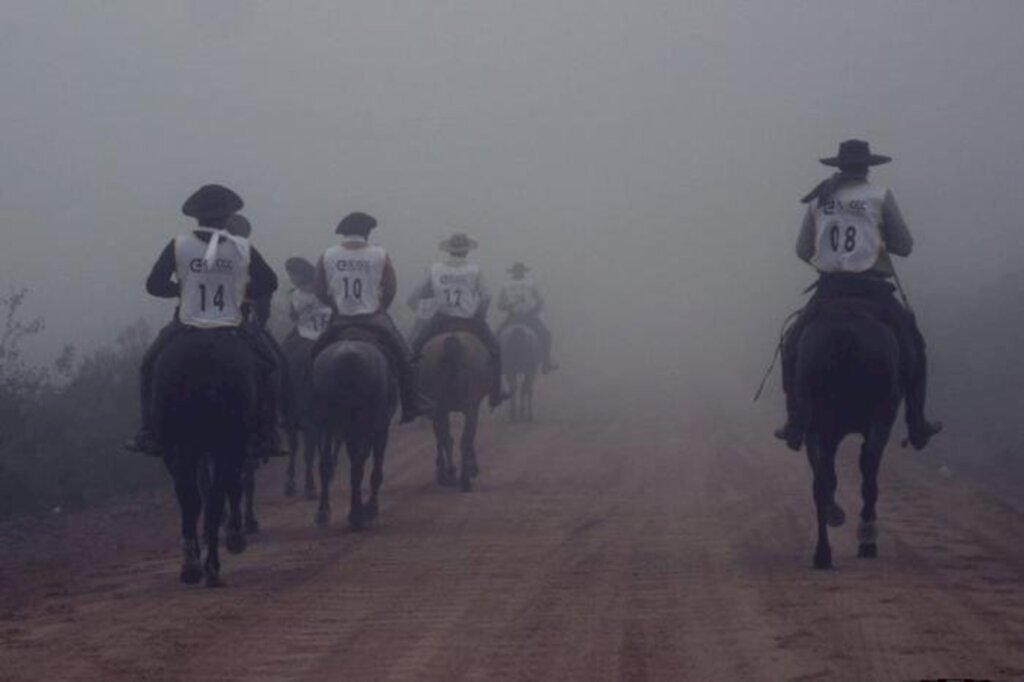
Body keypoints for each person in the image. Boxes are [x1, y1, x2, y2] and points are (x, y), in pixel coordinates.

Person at [775, 139, 943, 451]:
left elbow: (802, 250)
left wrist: (831, 258)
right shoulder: (879, 196)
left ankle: (795, 422)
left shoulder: (819, 200)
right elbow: (904, 246)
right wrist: (876, 241)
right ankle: (917, 424)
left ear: (839, 167)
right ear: (867, 167)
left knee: (791, 345)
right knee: (915, 347)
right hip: (872, 291)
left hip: (830, 291)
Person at [125, 185, 278, 456]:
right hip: (232, 326)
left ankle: (149, 431)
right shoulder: (243, 247)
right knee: (271, 366)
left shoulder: (178, 244)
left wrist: (183, 290)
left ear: (196, 217)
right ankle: (267, 433)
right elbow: (269, 282)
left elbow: (154, 285)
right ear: (228, 217)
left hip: (186, 325)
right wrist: (239, 292)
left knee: (149, 366)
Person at [311, 211, 429, 423]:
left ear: (343, 233)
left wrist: (335, 306)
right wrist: (380, 307)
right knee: (406, 357)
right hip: (373, 319)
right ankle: (412, 403)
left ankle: (309, 404)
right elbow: (391, 287)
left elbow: (318, 288)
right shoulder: (380, 254)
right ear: (367, 233)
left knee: (314, 355)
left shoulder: (327, 254)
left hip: (340, 320)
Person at [407, 232, 510, 408]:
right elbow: (486, 296)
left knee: (414, 350)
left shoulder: (435, 269)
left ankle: (412, 395)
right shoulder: (474, 270)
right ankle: (495, 392)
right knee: (495, 350)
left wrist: (423, 306)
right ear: (466, 251)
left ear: (449, 250)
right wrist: (479, 316)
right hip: (469, 321)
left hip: (441, 320)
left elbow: (414, 297)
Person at [496, 262, 558, 374]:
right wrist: (535, 310)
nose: (519, 273)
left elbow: (500, 305)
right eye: (518, 271)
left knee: (497, 336)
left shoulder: (506, 284)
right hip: (527, 317)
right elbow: (540, 301)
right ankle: (546, 363)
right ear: (522, 271)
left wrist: (508, 307)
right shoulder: (531, 283)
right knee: (545, 335)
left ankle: (495, 363)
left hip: (515, 317)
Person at [284, 256, 332, 344]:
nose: (291, 278)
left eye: (292, 275)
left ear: (301, 274)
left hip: (308, 333)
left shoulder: (295, 294)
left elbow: (293, 317)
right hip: (329, 329)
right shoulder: (326, 287)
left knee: (284, 350)